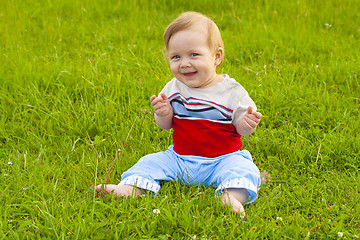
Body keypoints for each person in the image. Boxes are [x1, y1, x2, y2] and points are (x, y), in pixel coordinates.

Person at [95, 11, 262, 217]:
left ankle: (231, 196)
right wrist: (163, 113)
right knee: (149, 162)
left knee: (245, 170)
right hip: (180, 158)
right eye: (176, 57)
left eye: (194, 54)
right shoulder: (174, 87)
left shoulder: (232, 91)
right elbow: (165, 125)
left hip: (223, 159)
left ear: (216, 56)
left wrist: (246, 123)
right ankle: (132, 188)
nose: (184, 63)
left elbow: (242, 130)